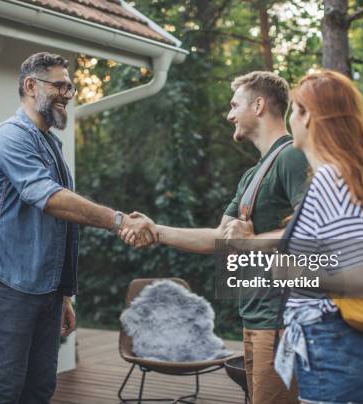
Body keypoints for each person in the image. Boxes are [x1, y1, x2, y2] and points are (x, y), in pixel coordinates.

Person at [0, 52, 157, 404]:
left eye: (69, 88)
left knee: (40, 389)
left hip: (46, 291)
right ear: (30, 85)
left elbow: (58, 228)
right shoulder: (10, 137)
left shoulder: (49, 144)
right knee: (1, 392)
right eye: (59, 85)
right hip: (8, 286)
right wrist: (117, 220)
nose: (67, 94)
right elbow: (49, 198)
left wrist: (64, 295)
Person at [122, 71, 307, 404]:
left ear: (260, 105)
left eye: (235, 105)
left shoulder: (292, 156)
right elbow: (221, 239)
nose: (229, 114)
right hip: (255, 317)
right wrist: (157, 230)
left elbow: (312, 227)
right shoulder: (253, 174)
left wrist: (254, 240)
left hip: (281, 319)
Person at [269, 70, 363, 403]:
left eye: (294, 110)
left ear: (308, 116)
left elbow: (362, 272)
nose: (290, 120)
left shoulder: (330, 179)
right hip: (337, 347)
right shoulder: (343, 178)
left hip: (331, 346)